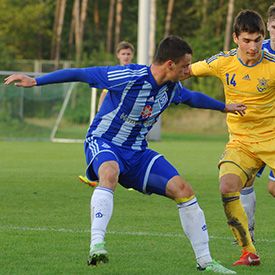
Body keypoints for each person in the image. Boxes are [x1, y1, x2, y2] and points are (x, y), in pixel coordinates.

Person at [4, 36, 246, 274]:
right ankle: (96, 244)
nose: (188, 71)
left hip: (138, 153)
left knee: (184, 191)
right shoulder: (129, 76)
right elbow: (80, 73)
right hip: (104, 141)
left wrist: (224, 106)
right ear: (170, 64)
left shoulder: (173, 89)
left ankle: (205, 260)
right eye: (185, 66)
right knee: (109, 172)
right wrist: (36, 81)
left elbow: (193, 98)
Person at [189, 9, 275, 267]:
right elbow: (186, 71)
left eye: (258, 40)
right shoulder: (222, 62)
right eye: (247, 40)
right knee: (228, 186)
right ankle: (248, 251)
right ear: (236, 38)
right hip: (241, 143)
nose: (253, 46)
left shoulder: (271, 65)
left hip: (272, 137)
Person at [239, 3, 275, 244]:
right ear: (268, 26)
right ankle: (247, 234)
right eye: (274, 26)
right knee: (243, 179)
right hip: (253, 130)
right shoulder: (257, 50)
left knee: (273, 189)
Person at [79, 41, 135, 186]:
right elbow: (105, 92)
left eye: (128, 54)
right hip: (113, 117)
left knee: (127, 148)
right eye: (123, 54)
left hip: (129, 118)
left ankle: (129, 179)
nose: (126, 56)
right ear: (118, 55)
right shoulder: (115, 72)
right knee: (102, 144)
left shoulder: (136, 72)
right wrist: (100, 108)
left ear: (132, 55)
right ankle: (97, 176)